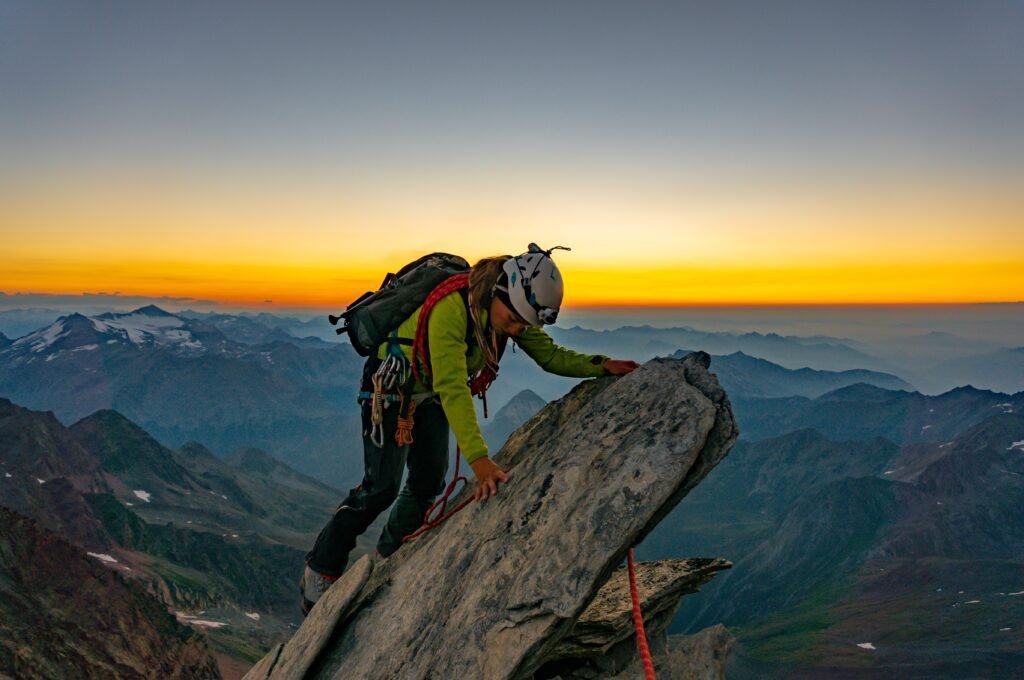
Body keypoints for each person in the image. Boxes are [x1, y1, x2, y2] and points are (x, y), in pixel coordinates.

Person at [301, 244, 639, 613]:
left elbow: (550, 356)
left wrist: (603, 365)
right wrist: (480, 461)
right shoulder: (451, 307)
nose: (515, 329)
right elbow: (451, 385)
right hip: (390, 389)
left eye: (522, 324)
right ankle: (321, 567)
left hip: (426, 392)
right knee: (379, 489)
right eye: (513, 320)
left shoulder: (507, 309)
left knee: (428, 481)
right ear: (499, 290)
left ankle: (389, 556)